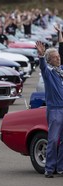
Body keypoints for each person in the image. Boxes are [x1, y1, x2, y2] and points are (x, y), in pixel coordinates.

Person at [35, 40, 63, 178]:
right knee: (53, 139)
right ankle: (49, 168)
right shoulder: (48, 73)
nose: (58, 58)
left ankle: (61, 167)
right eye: (55, 57)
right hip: (55, 109)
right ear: (50, 60)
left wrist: (60, 37)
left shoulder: (61, 70)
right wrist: (41, 56)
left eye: (59, 56)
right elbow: (43, 67)